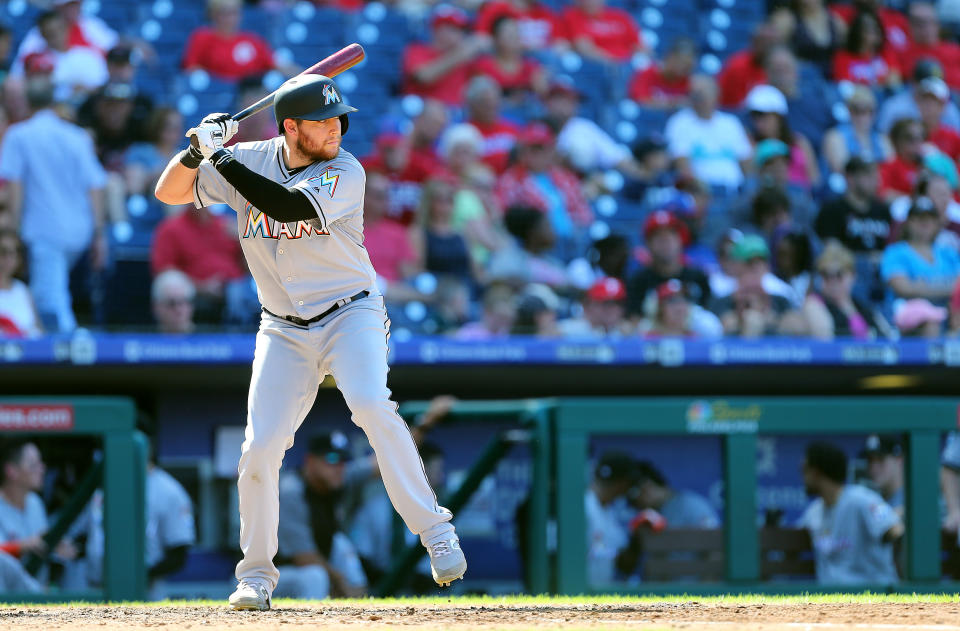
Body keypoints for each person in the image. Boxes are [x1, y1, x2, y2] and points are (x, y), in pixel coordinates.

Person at [153, 74, 467, 611]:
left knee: (370, 403)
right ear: (290, 126)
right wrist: (194, 151)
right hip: (282, 326)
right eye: (322, 121)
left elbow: (287, 208)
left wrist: (221, 158)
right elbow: (168, 192)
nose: (336, 128)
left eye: (339, 118)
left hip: (352, 312)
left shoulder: (346, 170)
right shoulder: (251, 157)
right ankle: (255, 576)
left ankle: (435, 531)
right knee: (259, 448)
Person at [0, 75, 107, 333]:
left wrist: (11, 227)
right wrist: (99, 234)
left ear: (27, 101)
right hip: (79, 230)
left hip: (45, 230)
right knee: (53, 291)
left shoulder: (18, 135)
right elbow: (95, 188)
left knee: (49, 300)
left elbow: (14, 186)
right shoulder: (78, 136)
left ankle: (69, 351)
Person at [83, 441, 196, 600]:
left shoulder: (169, 491)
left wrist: (139, 574)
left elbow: (179, 554)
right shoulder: (106, 484)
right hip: (95, 588)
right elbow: (90, 536)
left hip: (145, 592)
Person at [275, 432, 367, 599]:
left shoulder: (336, 480)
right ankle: (312, 624)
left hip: (309, 570)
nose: (339, 467)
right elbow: (303, 557)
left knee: (341, 545)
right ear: (310, 461)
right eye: (331, 459)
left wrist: (424, 424)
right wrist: (339, 581)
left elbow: (384, 463)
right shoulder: (291, 491)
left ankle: (359, 606)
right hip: (267, 577)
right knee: (315, 576)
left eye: (343, 460)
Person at [799, 441, 902, 585]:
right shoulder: (813, 512)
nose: (802, 476)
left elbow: (895, 530)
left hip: (874, 595)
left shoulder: (863, 500)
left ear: (816, 473)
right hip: (833, 600)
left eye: (804, 470)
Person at [495, 122, 592, 256]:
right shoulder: (511, 180)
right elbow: (506, 217)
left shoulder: (564, 177)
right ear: (522, 151)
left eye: (542, 148)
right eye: (533, 148)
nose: (538, 154)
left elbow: (583, 211)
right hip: (538, 247)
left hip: (574, 240)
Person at [150, 203, 251, 325]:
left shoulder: (227, 225)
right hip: (193, 295)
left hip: (237, 288)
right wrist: (202, 287)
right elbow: (164, 273)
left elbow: (251, 268)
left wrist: (245, 241)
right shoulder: (171, 229)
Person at [0, 439, 77, 586]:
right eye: (33, 465)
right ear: (11, 471)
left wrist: (55, 548)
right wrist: (23, 546)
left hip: (37, 596)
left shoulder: (35, 502)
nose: (42, 468)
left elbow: (40, 544)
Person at [664, 74, 753, 191]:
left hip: (734, 189)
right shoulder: (679, 122)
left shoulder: (731, 123)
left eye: (704, 93)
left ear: (716, 95)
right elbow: (682, 164)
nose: (700, 98)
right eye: (696, 94)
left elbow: (745, 160)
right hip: (700, 192)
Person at [710, 234, 806, 337]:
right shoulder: (722, 297)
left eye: (761, 261)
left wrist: (770, 319)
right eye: (750, 262)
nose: (757, 267)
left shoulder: (781, 295)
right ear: (735, 266)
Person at [627, 210, 710, 319]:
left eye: (671, 235)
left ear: (681, 240)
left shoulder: (698, 277)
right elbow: (633, 321)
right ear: (648, 244)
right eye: (658, 237)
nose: (665, 241)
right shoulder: (638, 282)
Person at [544, 78, 637, 177]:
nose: (572, 105)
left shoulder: (584, 127)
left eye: (574, 101)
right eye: (565, 99)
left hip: (581, 182)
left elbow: (616, 157)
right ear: (550, 102)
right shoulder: (537, 125)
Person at [881, 196, 960, 309]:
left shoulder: (948, 252)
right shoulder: (895, 252)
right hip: (910, 318)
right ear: (908, 222)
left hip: (950, 314)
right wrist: (951, 288)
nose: (925, 223)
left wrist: (921, 287)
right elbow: (903, 289)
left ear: (936, 223)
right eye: (919, 218)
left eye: (930, 219)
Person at [402, 5, 487, 107]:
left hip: (456, 115)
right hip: (422, 112)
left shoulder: (466, 58)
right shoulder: (417, 50)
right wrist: (461, 54)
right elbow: (424, 77)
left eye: (462, 30)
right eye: (454, 29)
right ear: (438, 29)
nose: (461, 35)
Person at [182, 0, 286, 82]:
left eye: (234, 13)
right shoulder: (202, 37)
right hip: (217, 97)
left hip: (248, 96)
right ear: (213, 15)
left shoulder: (252, 40)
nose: (230, 19)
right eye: (224, 13)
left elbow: (276, 64)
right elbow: (192, 69)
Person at [804, 241, 889, 340]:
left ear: (852, 276)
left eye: (839, 274)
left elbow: (888, 336)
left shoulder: (863, 307)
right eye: (826, 275)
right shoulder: (814, 303)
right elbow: (827, 342)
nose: (832, 281)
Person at [745, 84, 820, 189]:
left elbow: (814, 179)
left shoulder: (799, 141)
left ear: (778, 116)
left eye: (764, 116)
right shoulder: (750, 143)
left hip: (801, 199)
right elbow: (750, 177)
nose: (759, 123)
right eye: (755, 117)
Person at [409, 177, 477, 287]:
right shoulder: (418, 233)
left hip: (465, 287)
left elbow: (474, 269)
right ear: (429, 203)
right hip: (436, 289)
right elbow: (418, 271)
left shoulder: (462, 232)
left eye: (449, 200)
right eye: (440, 200)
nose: (445, 206)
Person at [585, 451, 637, 587]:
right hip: (578, 594)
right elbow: (591, 552)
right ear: (622, 484)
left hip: (599, 593)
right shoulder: (583, 506)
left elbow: (620, 548)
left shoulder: (608, 509)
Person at [487, 205, 572, 289]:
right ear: (532, 232)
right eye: (547, 226)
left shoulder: (553, 262)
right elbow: (494, 279)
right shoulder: (508, 259)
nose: (553, 232)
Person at [471, 14, 546, 102]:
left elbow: (543, 98)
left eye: (516, 33)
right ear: (496, 38)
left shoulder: (532, 67)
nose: (514, 38)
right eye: (508, 34)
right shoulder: (483, 66)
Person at [362, 171, 420, 285]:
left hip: (395, 296)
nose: (383, 201)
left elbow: (407, 274)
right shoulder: (345, 231)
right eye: (378, 196)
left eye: (386, 196)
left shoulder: (397, 232)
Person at [628, 460, 719, 528]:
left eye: (634, 494)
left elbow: (715, 546)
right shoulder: (655, 514)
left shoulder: (691, 505)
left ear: (647, 486)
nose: (635, 503)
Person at [877, 60, 960, 134]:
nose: (930, 102)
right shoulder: (895, 107)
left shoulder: (947, 107)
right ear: (913, 83)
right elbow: (883, 137)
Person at [822, 86, 891, 174]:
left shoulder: (882, 139)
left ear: (875, 112)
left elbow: (890, 168)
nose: (862, 116)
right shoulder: (835, 137)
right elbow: (841, 170)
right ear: (849, 110)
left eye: (868, 110)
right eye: (856, 110)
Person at [770, 0, 846, 78]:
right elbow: (773, 54)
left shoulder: (837, 22)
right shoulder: (784, 20)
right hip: (800, 80)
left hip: (832, 82)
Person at [832, 9, 901, 89]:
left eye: (876, 27)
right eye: (868, 29)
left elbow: (895, 81)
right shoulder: (842, 58)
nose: (875, 31)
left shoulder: (886, 54)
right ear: (857, 32)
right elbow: (845, 88)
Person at [464, 76, 520, 174]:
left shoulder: (512, 129)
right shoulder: (464, 132)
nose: (491, 106)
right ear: (472, 105)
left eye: (494, 100)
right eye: (484, 102)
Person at [561, 0, 646, 64]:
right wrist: (613, 62)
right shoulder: (573, 16)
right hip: (597, 66)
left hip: (627, 64)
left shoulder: (620, 16)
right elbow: (584, 47)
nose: (591, 2)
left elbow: (638, 45)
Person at [717, 23, 778, 109]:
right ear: (753, 42)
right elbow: (735, 104)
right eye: (762, 42)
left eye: (771, 43)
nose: (766, 47)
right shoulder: (738, 66)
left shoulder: (779, 68)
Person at [901, 1, 960, 89]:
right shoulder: (902, 54)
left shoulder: (955, 51)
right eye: (919, 23)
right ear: (910, 26)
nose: (925, 28)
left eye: (930, 22)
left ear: (938, 24)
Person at [628, 38, 696, 109]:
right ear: (670, 57)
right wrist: (673, 103)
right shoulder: (648, 72)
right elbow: (641, 102)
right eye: (682, 63)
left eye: (688, 66)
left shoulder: (686, 81)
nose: (684, 69)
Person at [474, 0, 568, 51]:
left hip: (542, 65)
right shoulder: (496, 10)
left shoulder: (546, 12)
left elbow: (562, 44)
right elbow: (481, 40)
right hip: (510, 64)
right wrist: (523, 46)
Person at [0, 228, 41, 338]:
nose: (8, 258)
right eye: (3, 251)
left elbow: (39, 331)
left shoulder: (22, 290)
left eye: (14, 253)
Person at [558, 277, 629, 338]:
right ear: (590, 304)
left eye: (619, 303)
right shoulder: (567, 331)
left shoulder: (623, 332)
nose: (615, 309)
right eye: (608, 303)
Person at [879, 118, 925, 198]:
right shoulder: (889, 166)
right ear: (897, 140)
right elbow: (883, 194)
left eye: (920, 137)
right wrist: (910, 199)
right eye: (910, 138)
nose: (917, 143)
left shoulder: (926, 164)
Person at [862, 434, 904, 516]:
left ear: (899, 460)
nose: (873, 467)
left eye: (880, 459)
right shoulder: (874, 500)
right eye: (870, 460)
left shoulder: (915, 499)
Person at [151, 269, 197, 335]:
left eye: (183, 302)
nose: (179, 310)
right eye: (171, 303)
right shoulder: (139, 341)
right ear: (156, 308)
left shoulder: (209, 339)